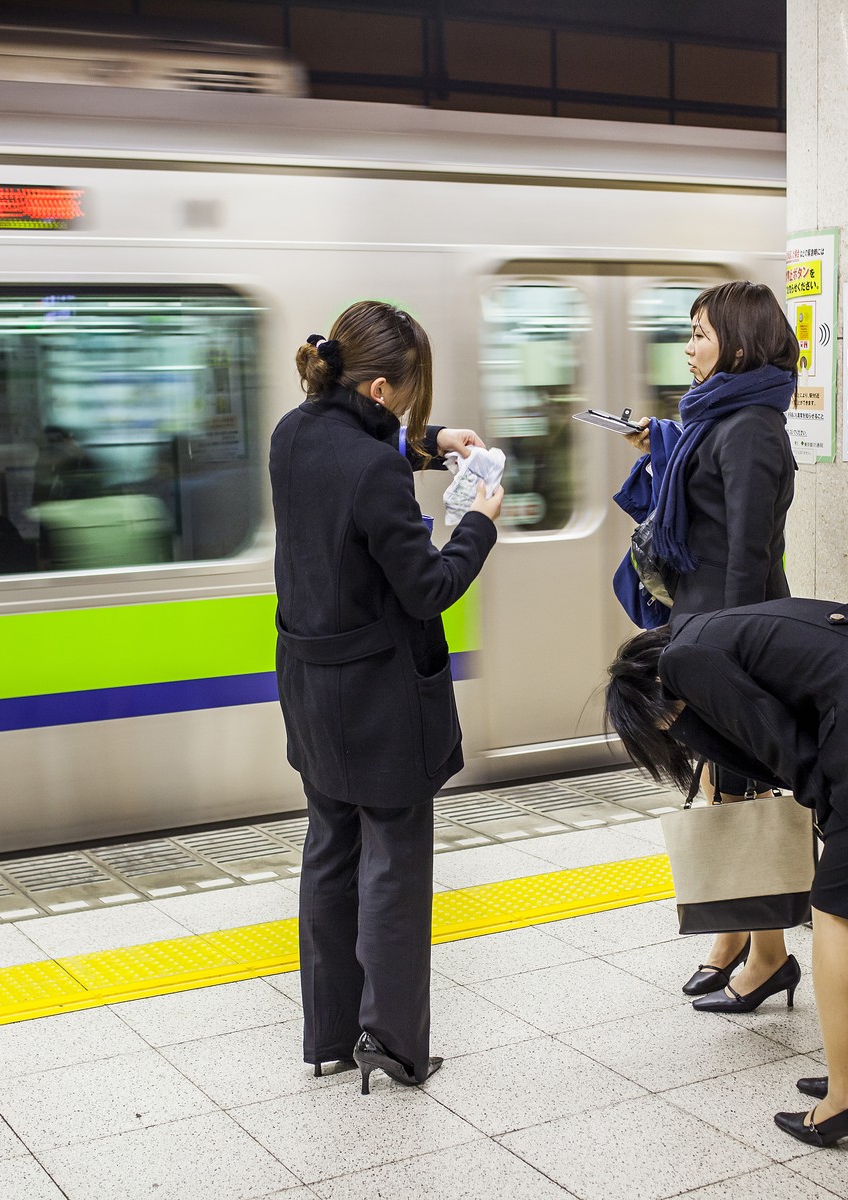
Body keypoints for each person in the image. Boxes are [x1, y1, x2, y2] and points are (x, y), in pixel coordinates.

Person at [604, 600, 848, 1157]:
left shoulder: (685, 663)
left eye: (662, 727)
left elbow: (784, 749)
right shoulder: (722, 631)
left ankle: (846, 1100)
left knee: (835, 906)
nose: (674, 735)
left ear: (651, 696)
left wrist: (831, 814)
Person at [269, 300, 503, 1094]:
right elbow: (429, 586)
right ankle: (396, 1045)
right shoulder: (374, 468)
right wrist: (476, 522)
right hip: (380, 699)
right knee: (395, 865)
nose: (411, 406)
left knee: (329, 850)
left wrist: (432, 445)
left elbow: (356, 462)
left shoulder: (291, 435)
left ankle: (331, 1035)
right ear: (377, 388)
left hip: (310, 686)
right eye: (407, 398)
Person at [623, 281, 801, 1011]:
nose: (688, 347)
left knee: (739, 792)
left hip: (731, 630)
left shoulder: (753, 425)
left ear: (737, 339)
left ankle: (768, 956)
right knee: (726, 789)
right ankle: (738, 940)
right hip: (702, 626)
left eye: (699, 333)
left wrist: (719, 659)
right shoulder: (716, 418)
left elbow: (749, 554)